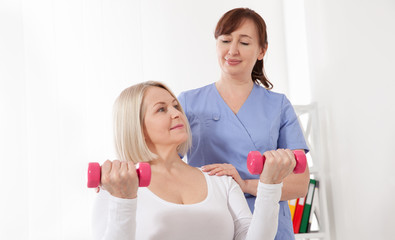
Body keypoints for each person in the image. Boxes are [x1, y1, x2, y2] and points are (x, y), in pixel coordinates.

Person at [92, 81, 297, 240]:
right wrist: (123, 199)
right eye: (161, 109)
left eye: (175, 106)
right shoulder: (118, 187)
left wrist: (270, 184)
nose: (176, 114)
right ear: (137, 127)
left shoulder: (220, 180)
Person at [177, 8, 310, 239]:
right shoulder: (188, 103)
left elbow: (300, 184)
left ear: (262, 50)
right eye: (225, 40)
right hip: (211, 220)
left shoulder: (278, 105)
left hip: (269, 223)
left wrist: (245, 184)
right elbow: (165, 169)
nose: (232, 50)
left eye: (245, 42)